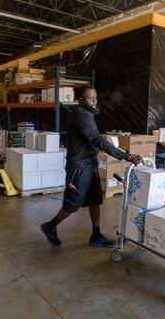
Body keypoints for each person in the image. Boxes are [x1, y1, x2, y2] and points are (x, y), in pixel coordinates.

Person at [40, 87, 142, 248]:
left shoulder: (87, 113)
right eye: (90, 98)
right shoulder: (80, 115)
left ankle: (96, 235)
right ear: (81, 100)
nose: (94, 100)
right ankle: (50, 226)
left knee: (95, 200)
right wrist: (126, 156)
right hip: (79, 168)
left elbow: (94, 138)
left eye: (95, 97)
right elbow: (96, 139)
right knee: (72, 203)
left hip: (89, 164)